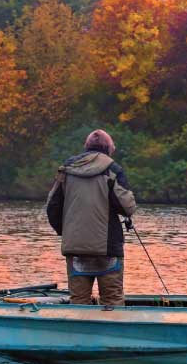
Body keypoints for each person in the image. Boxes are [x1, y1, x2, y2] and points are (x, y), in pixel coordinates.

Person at [46, 129, 136, 305]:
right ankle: (112, 333)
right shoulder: (113, 170)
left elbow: (52, 206)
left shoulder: (67, 170)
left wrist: (65, 231)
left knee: (78, 301)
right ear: (109, 149)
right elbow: (128, 207)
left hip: (75, 247)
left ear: (86, 147)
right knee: (112, 301)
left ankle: (80, 332)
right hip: (108, 247)